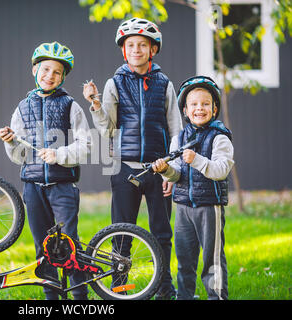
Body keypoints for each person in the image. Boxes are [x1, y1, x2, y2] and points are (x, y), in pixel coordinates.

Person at [83, 18, 182, 299]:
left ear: (153, 50)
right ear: (123, 51)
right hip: (125, 169)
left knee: (162, 231)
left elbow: (176, 128)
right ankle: (120, 286)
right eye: (131, 45)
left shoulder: (165, 84)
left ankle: (164, 287)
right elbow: (108, 128)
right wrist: (95, 106)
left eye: (142, 45)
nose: (136, 49)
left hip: (159, 168)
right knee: (122, 231)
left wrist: (172, 170)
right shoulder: (114, 83)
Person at [0, 41, 91, 300]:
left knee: (67, 245)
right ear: (34, 70)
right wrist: (11, 142)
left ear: (63, 77)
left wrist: (59, 154)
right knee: (44, 247)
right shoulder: (22, 107)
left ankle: (79, 297)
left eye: (57, 72)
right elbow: (19, 157)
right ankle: (52, 298)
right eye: (45, 69)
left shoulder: (71, 105)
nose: (50, 76)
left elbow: (86, 144)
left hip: (63, 186)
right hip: (33, 187)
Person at [152, 75, 234, 300]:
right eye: (194, 104)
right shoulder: (179, 138)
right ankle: (185, 296)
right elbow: (176, 173)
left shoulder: (220, 138)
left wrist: (196, 159)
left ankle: (216, 296)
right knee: (185, 259)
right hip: (183, 207)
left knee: (212, 258)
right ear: (186, 111)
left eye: (206, 104)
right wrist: (164, 170)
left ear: (214, 109)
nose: (200, 108)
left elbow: (221, 170)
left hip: (209, 207)